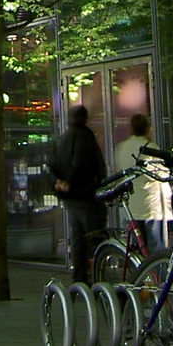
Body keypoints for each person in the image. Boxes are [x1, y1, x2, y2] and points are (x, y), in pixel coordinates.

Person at [53, 104, 107, 283]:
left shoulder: (63, 139)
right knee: (95, 236)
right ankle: (99, 275)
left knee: (77, 237)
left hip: (71, 197)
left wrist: (59, 183)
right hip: (86, 195)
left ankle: (79, 276)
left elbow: (53, 163)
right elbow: (87, 164)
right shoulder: (86, 137)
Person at [114, 112, 173, 253]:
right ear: (148, 128)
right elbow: (162, 173)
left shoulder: (122, 147)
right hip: (151, 206)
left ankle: (141, 274)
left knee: (137, 248)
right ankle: (157, 275)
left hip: (131, 206)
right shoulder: (151, 147)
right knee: (156, 249)